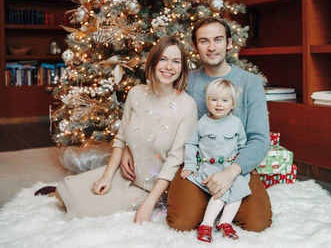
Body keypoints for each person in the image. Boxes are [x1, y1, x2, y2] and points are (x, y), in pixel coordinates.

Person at [121, 17, 273, 232]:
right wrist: (129, 146)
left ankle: (220, 203)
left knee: (257, 223)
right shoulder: (184, 80)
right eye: (204, 41)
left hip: (234, 166)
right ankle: (208, 205)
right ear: (195, 46)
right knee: (181, 222)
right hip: (194, 167)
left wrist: (230, 173)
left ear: (229, 43)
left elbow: (259, 139)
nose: (211, 47)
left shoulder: (250, 83)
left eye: (218, 40)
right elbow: (153, 112)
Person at [36, 36, 198, 222]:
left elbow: (174, 162)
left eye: (176, 61)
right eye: (163, 59)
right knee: (68, 189)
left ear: (182, 68)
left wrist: (149, 203)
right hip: (125, 174)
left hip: (149, 188)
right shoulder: (136, 93)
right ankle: (65, 193)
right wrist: (107, 177)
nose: (169, 67)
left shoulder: (187, 106)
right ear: (153, 62)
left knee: (80, 208)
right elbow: (121, 139)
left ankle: (74, 197)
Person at [181, 79, 248, 243]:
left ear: (233, 104)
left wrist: (243, 166)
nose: (219, 104)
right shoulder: (202, 123)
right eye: (214, 99)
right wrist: (190, 164)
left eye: (225, 100)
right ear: (207, 101)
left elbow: (242, 145)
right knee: (221, 191)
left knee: (238, 191)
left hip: (230, 168)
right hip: (209, 167)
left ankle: (225, 222)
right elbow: (191, 143)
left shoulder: (236, 123)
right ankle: (206, 224)